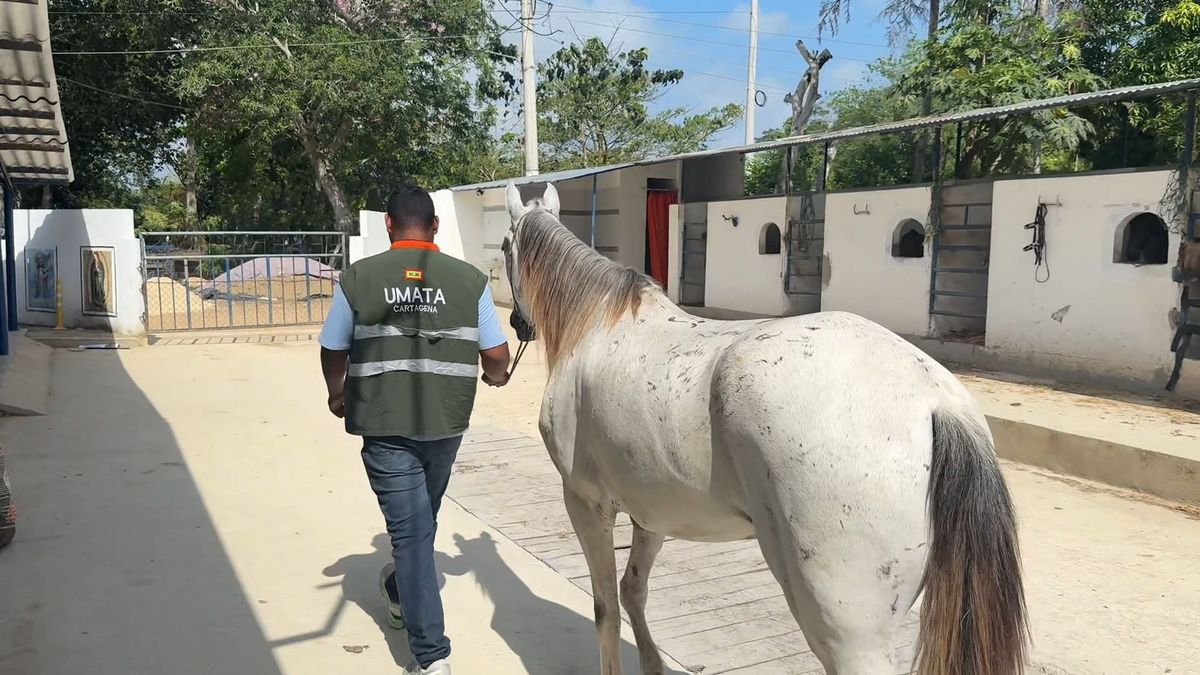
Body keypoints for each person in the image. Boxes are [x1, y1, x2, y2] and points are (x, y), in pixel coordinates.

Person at [319, 186, 511, 675]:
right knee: (416, 530)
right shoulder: (470, 280)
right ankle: (430, 652)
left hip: (384, 427)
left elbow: (332, 346)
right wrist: (496, 375)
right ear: (436, 226)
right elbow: (496, 357)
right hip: (445, 425)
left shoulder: (359, 277)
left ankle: (411, 619)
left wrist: (336, 392)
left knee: (414, 531)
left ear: (388, 224)